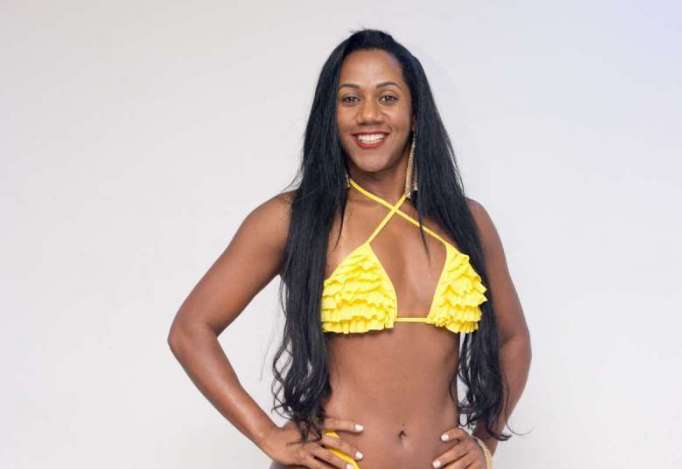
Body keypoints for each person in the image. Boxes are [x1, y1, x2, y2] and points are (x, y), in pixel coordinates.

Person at [168, 28, 531, 469]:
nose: (368, 115)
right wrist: (267, 435)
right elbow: (191, 329)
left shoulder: (466, 221)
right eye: (350, 99)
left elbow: (513, 339)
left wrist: (486, 442)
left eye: (388, 97)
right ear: (331, 114)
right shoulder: (294, 218)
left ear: (416, 113)